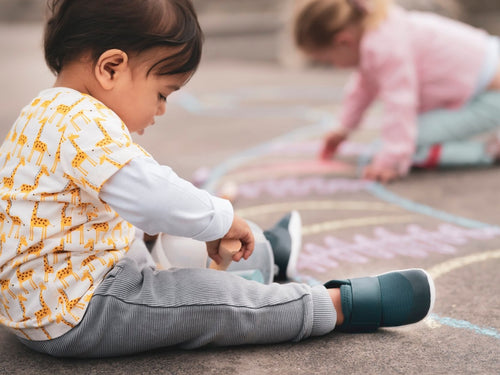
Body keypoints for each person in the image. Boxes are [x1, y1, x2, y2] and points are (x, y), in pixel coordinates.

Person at [0, 0, 434, 358]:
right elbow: (155, 198)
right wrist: (223, 219)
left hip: (49, 291)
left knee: (154, 236)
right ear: (111, 68)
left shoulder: (44, 113)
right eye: (162, 93)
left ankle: (263, 254)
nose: (161, 110)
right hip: (79, 309)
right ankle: (335, 305)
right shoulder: (82, 120)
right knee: (211, 303)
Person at [293, 0, 500, 182]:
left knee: (408, 144)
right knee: (399, 137)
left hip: (492, 98)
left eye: (329, 60)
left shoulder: (385, 48)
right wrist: (343, 128)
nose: (335, 66)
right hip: (483, 90)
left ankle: (490, 150)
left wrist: (390, 161)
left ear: (344, 41)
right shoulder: (378, 31)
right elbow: (362, 88)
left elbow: (400, 103)